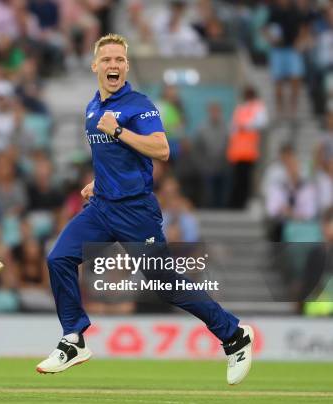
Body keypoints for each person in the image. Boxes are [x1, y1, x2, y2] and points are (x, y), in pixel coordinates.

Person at [36, 34, 254, 386]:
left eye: (120, 60)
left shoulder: (138, 104)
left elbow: (162, 148)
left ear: (126, 66)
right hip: (103, 207)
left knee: (165, 284)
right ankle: (74, 338)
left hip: (137, 212)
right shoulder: (92, 108)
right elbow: (112, 157)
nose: (113, 65)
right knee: (58, 258)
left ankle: (234, 334)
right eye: (107, 59)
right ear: (95, 66)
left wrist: (120, 129)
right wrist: (100, 181)